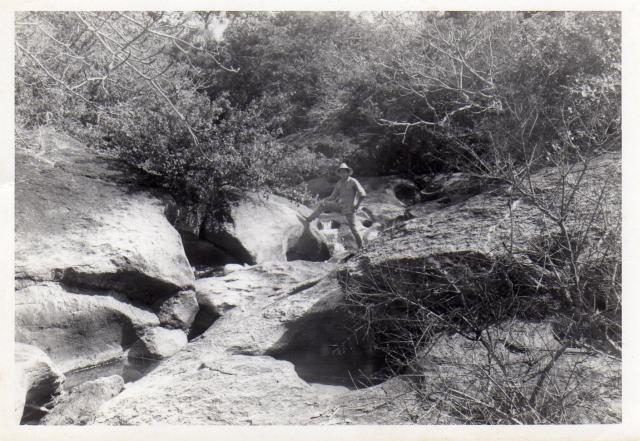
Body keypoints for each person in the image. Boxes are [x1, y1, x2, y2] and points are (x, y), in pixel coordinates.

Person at [306, 163, 367, 249]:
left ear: (348, 172)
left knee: (354, 229)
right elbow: (333, 196)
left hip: (350, 208)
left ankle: (362, 247)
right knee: (323, 205)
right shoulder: (339, 183)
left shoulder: (353, 181)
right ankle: (309, 219)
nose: (343, 174)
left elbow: (363, 194)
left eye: (344, 172)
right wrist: (323, 200)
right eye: (341, 172)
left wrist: (356, 206)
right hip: (340, 206)